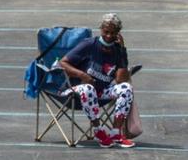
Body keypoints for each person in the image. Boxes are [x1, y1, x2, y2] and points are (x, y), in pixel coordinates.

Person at [57, 13, 135, 148]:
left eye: (113, 32)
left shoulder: (117, 50)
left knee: (126, 88)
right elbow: (63, 63)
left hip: (100, 93)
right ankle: (98, 131)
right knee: (88, 88)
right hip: (73, 91)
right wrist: (82, 75)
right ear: (101, 29)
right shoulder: (89, 44)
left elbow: (120, 80)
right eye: (106, 32)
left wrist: (122, 51)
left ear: (118, 33)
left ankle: (116, 133)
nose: (109, 36)